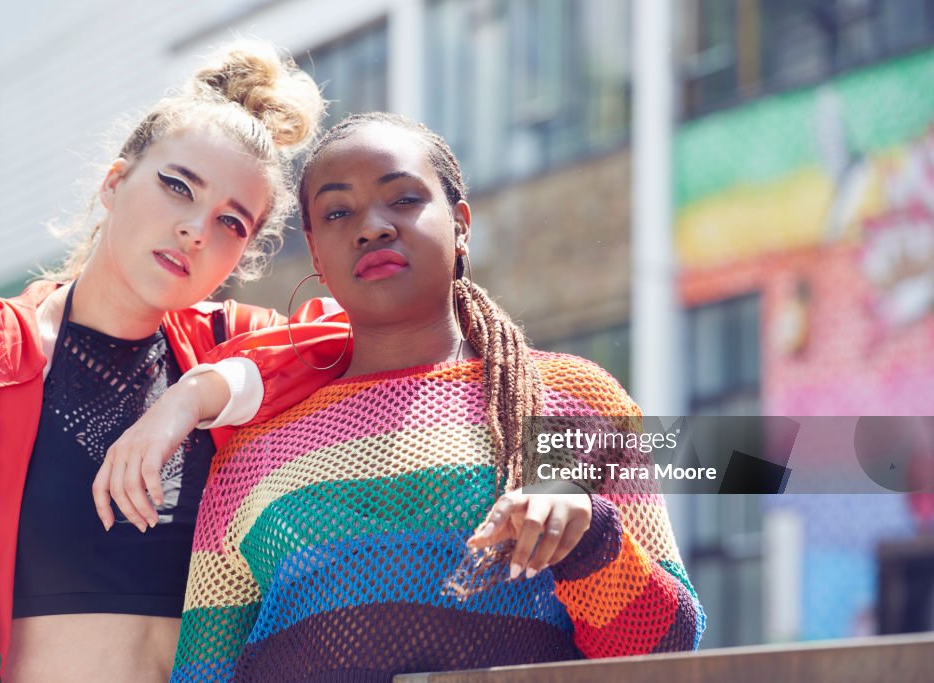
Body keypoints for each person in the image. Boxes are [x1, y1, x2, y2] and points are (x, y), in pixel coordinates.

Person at [162, 113, 705, 682]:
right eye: (338, 212)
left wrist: (589, 539)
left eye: (403, 199)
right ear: (317, 255)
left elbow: (668, 650)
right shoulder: (251, 453)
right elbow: (203, 673)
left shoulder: (571, 401)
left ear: (461, 224)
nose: (372, 227)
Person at [0, 40, 351, 683]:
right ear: (115, 183)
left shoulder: (229, 347)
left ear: (242, 257)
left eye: (231, 223)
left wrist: (192, 396)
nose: (196, 229)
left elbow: (372, 337)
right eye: (178, 187)